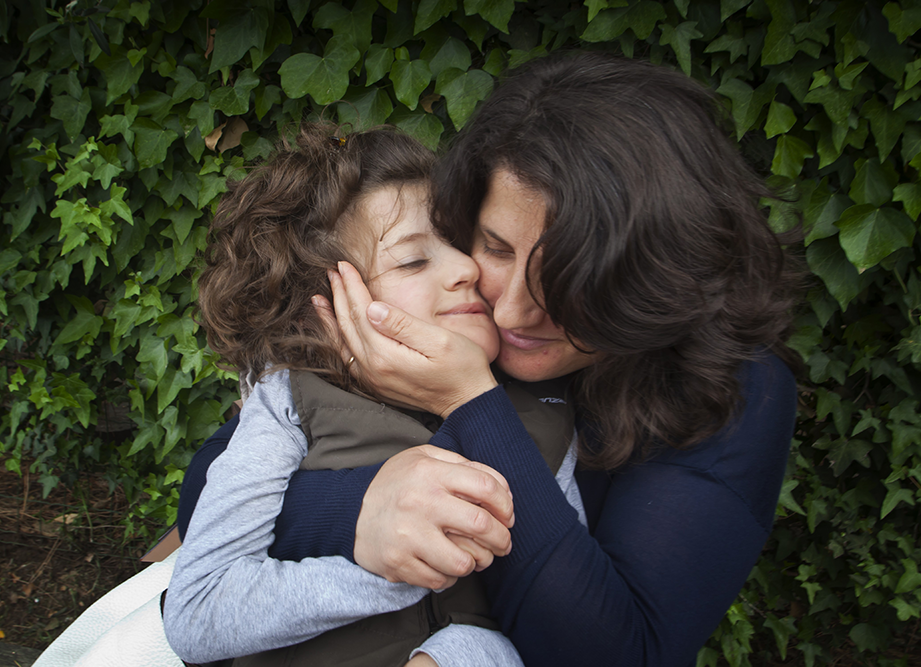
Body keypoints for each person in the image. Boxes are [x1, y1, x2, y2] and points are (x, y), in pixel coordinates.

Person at [178, 51, 800, 667]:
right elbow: (207, 495)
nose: (507, 313)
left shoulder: (733, 387)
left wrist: (471, 402)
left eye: (568, 277)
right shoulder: (431, 328)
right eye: (495, 246)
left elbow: (611, 651)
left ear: (653, 280)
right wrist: (359, 509)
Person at [162, 124, 587, 667]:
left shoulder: (544, 417)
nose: (467, 268)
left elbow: (559, 622)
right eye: (413, 260)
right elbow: (198, 612)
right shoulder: (289, 401)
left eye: (461, 243)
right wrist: (385, 571)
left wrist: (460, 654)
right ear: (325, 305)